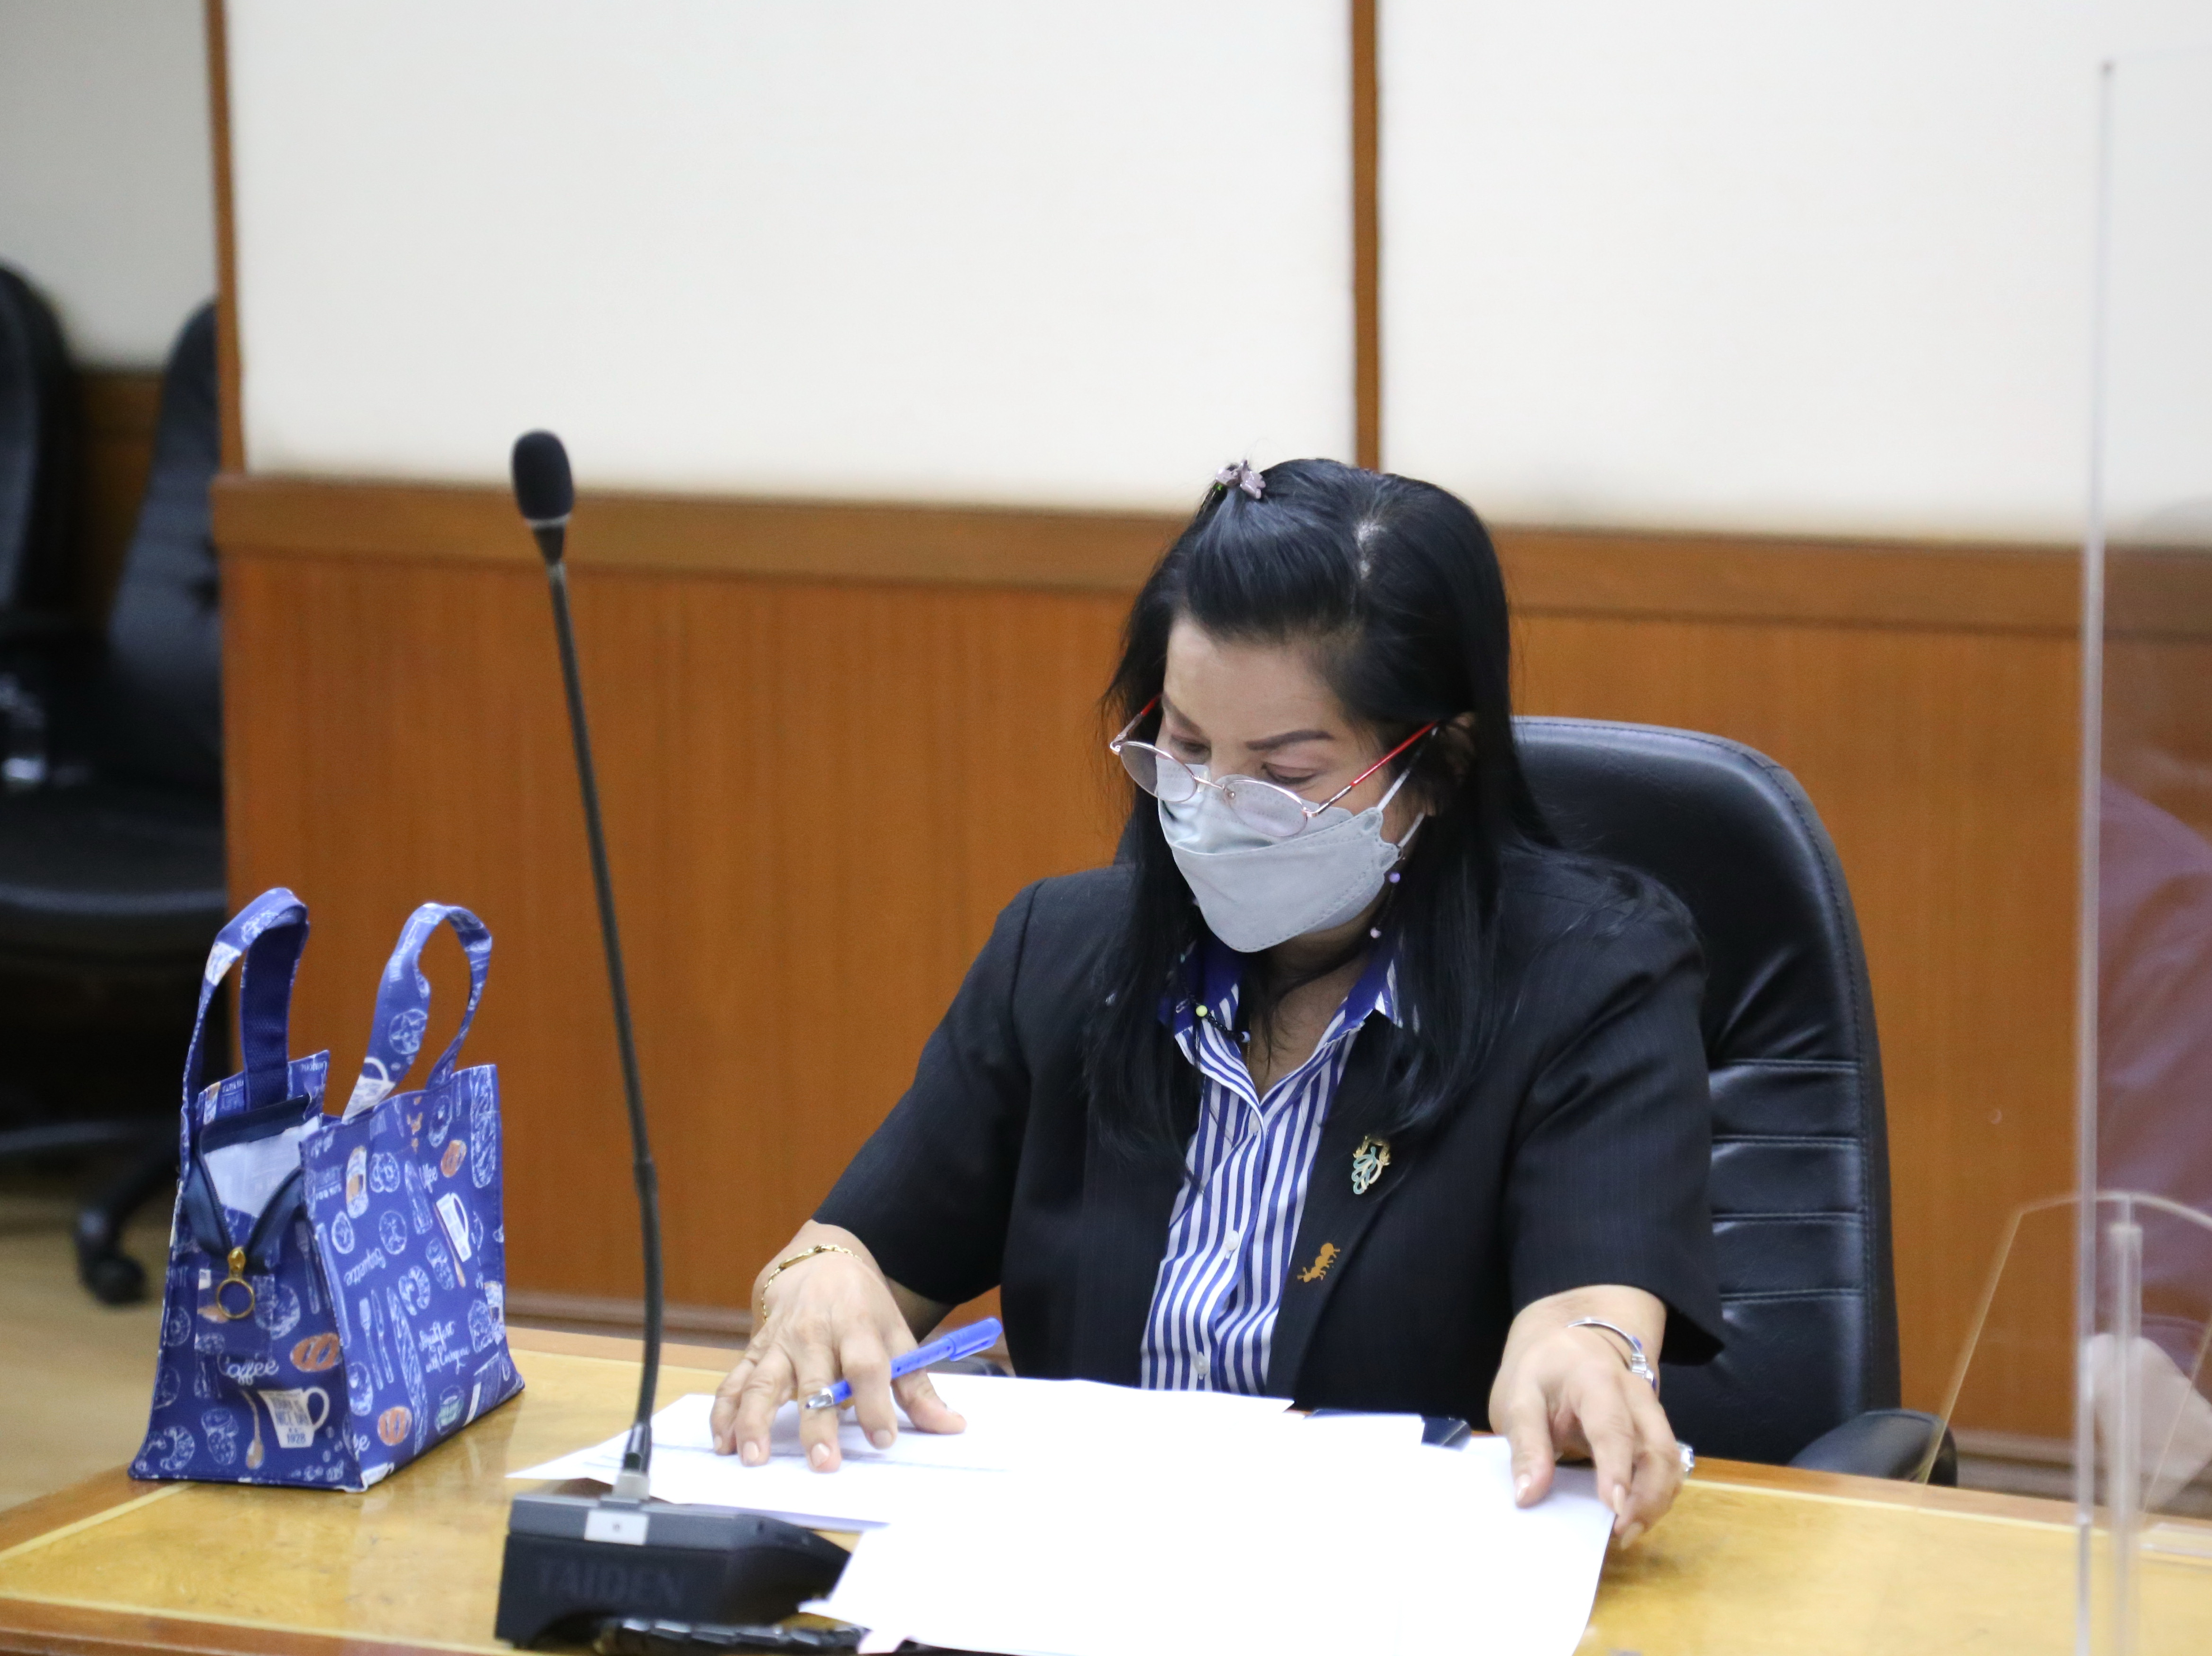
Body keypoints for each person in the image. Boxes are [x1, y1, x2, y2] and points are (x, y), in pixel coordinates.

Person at [712, 458, 1721, 1544]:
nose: (1212, 809)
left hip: (1387, 1575)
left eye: (1281, 777)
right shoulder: (1062, 952)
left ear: (1438, 765)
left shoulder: (1591, 974)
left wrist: (1586, 1355)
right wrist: (822, 1281)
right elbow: (855, 1254)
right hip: (1071, 1566)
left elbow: (1587, 1308)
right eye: (1186, 750)